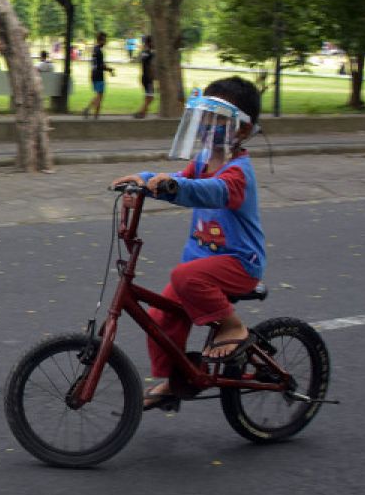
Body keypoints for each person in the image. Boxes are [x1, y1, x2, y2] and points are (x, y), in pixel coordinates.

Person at [111, 76, 265, 411]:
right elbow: (180, 180)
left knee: (185, 276)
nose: (208, 127)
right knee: (161, 317)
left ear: (241, 130)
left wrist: (172, 189)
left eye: (218, 120)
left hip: (239, 263)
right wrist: (146, 181)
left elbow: (211, 191)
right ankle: (173, 380)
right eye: (205, 119)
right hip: (201, 266)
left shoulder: (238, 172)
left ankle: (232, 325)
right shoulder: (203, 160)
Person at [82, 31, 115, 119]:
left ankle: (91, 113)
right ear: (100, 40)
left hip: (93, 74)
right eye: (104, 40)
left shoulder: (94, 49)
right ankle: (93, 114)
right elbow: (100, 66)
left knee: (98, 95)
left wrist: (108, 69)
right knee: (100, 96)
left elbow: (99, 64)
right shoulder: (99, 51)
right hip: (98, 76)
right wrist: (109, 69)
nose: (105, 42)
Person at [134, 34, 155, 118]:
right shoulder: (150, 53)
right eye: (152, 42)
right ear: (149, 42)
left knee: (147, 97)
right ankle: (140, 112)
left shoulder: (143, 52)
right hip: (148, 78)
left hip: (143, 77)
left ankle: (143, 113)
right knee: (151, 97)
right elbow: (150, 66)